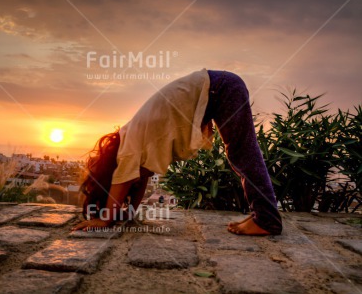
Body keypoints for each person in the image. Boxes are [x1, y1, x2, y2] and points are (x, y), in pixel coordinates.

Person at [73, 69, 282, 235]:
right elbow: (138, 179)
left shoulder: (128, 149)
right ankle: (262, 215)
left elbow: (123, 181)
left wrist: (105, 219)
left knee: (241, 152)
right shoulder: (133, 140)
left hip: (221, 88)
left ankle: (266, 220)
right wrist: (130, 212)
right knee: (240, 152)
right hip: (220, 87)